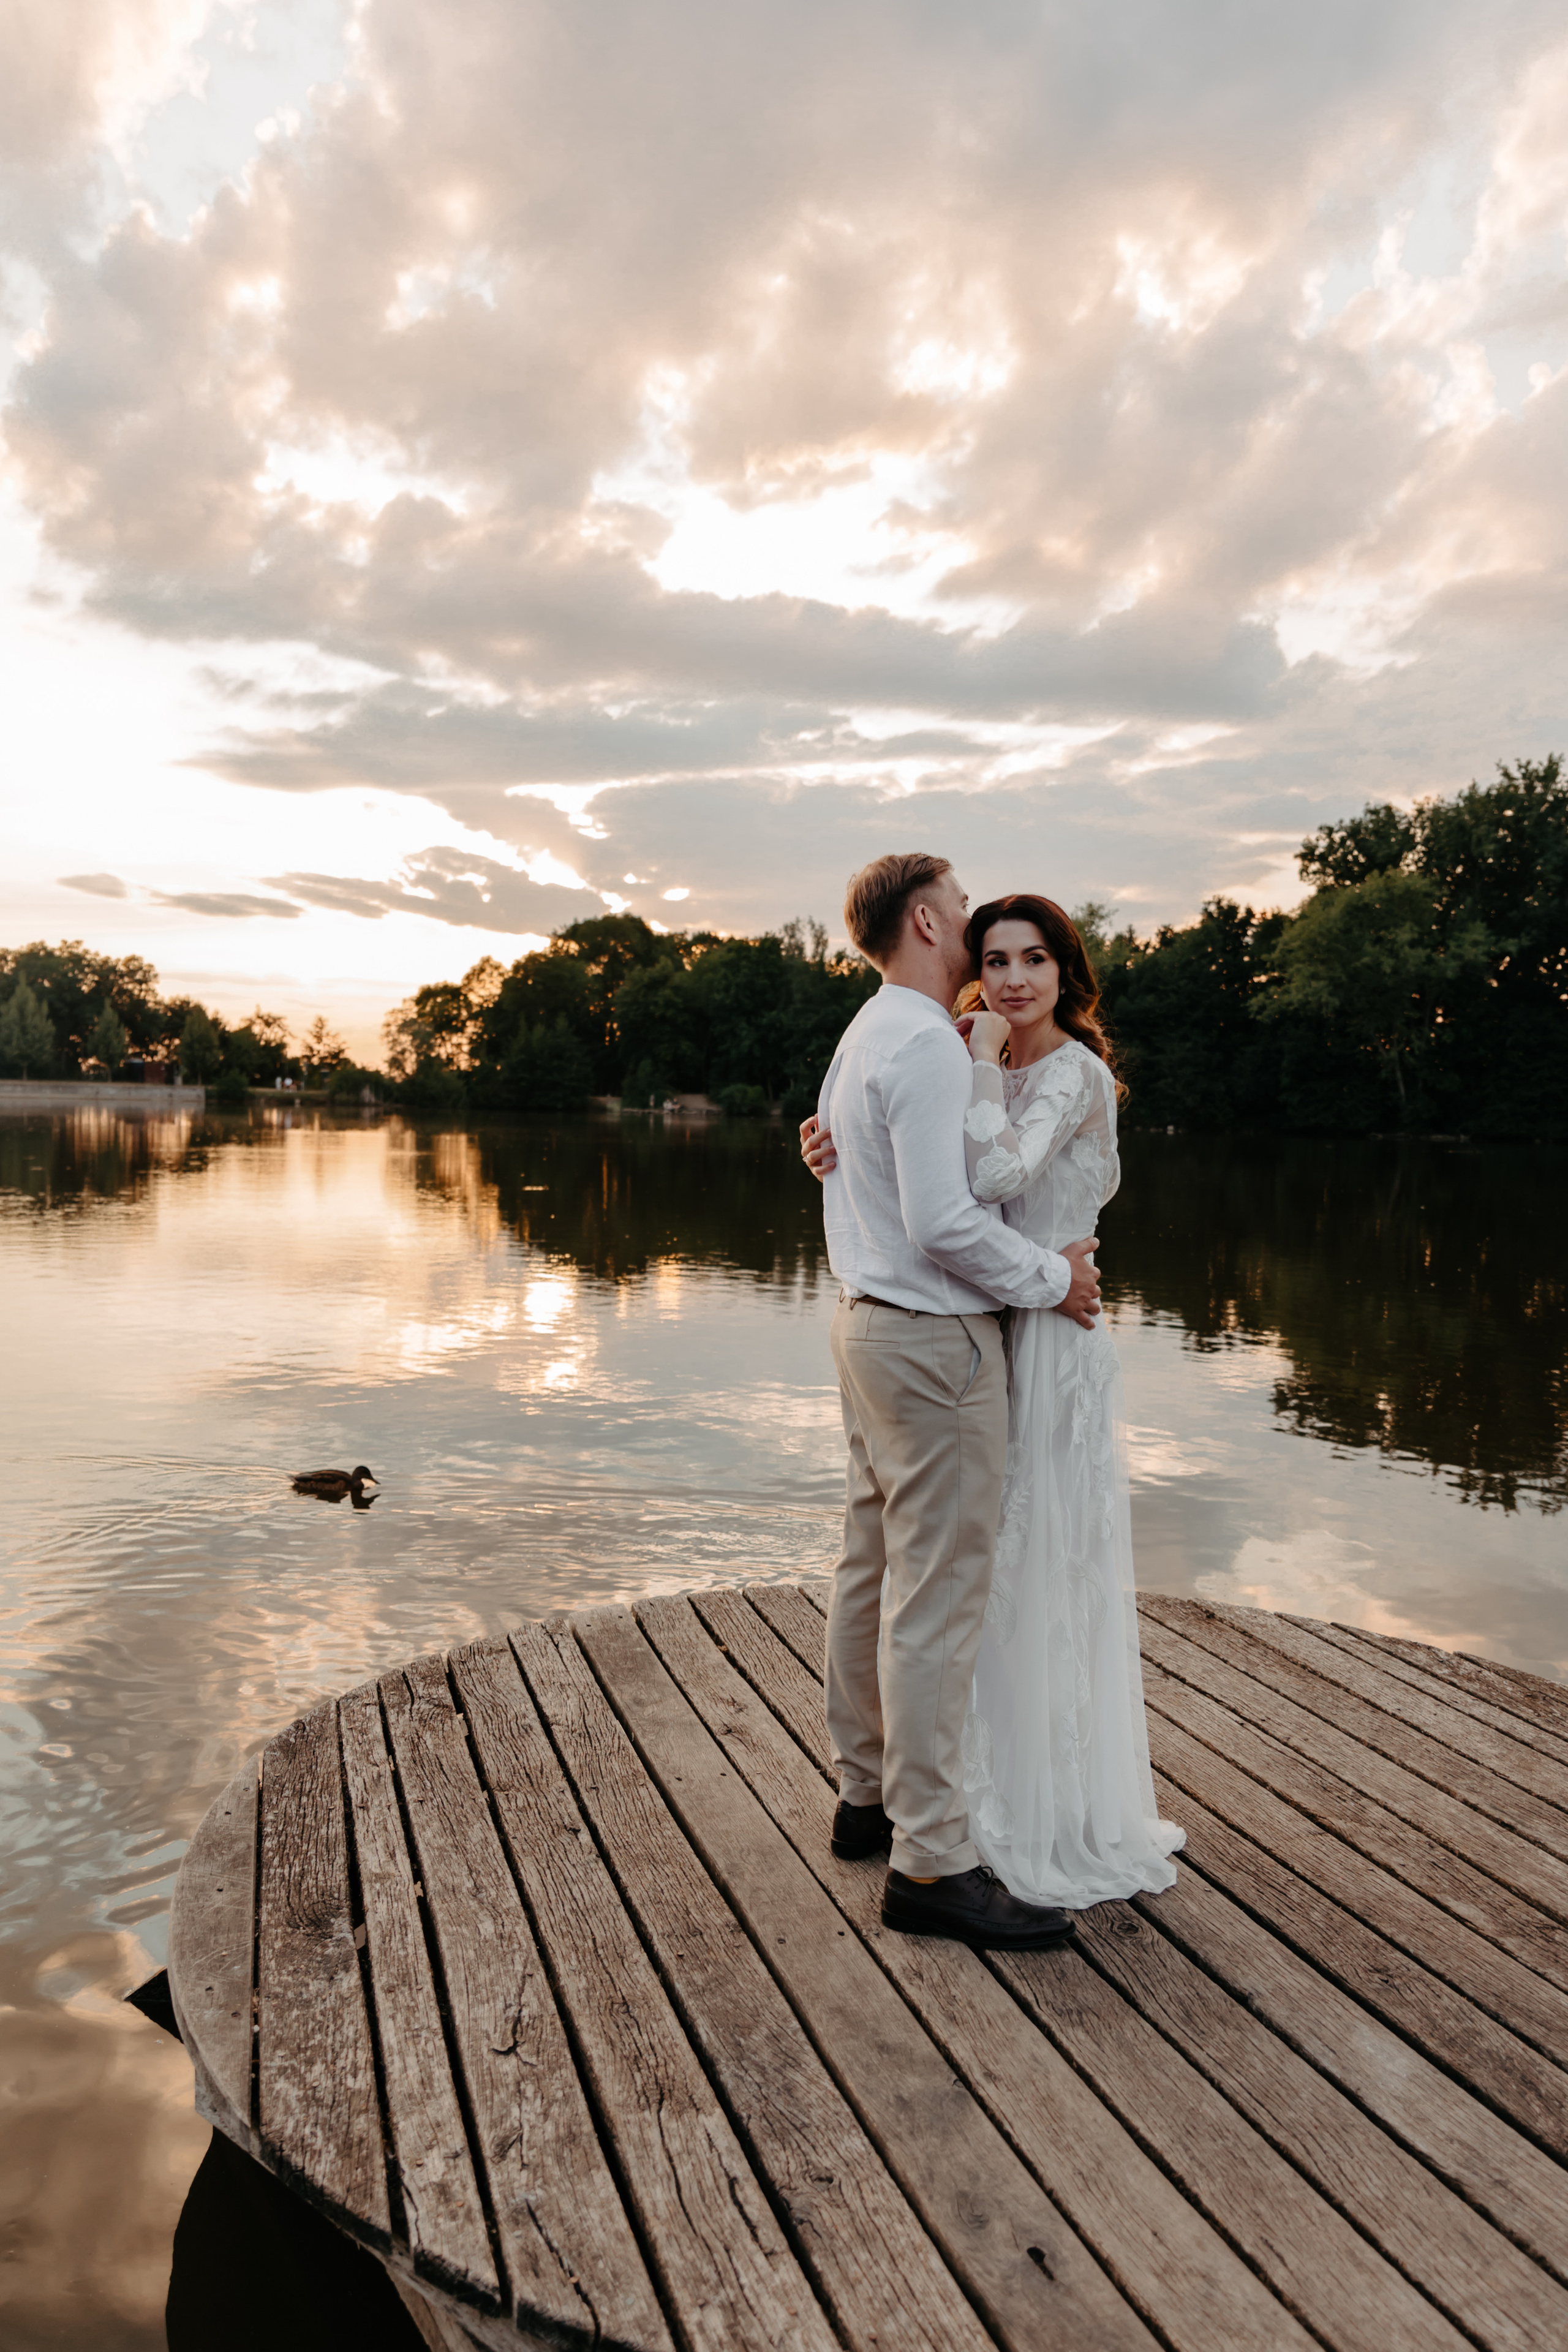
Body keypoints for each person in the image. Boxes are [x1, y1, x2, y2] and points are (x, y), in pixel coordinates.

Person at [806, 889, 1183, 1910]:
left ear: (1067, 973)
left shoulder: (1054, 1068)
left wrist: (966, 1062)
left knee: (1015, 1567)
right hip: (981, 1328)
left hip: (1039, 1343)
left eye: (1034, 960)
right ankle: (926, 1830)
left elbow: (994, 1170)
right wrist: (834, 1142)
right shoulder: (951, 1049)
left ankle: (971, 1795)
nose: (1012, 976)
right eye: (997, 956)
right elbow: (937, 1184)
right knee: (948, 1579)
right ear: (943, 935)